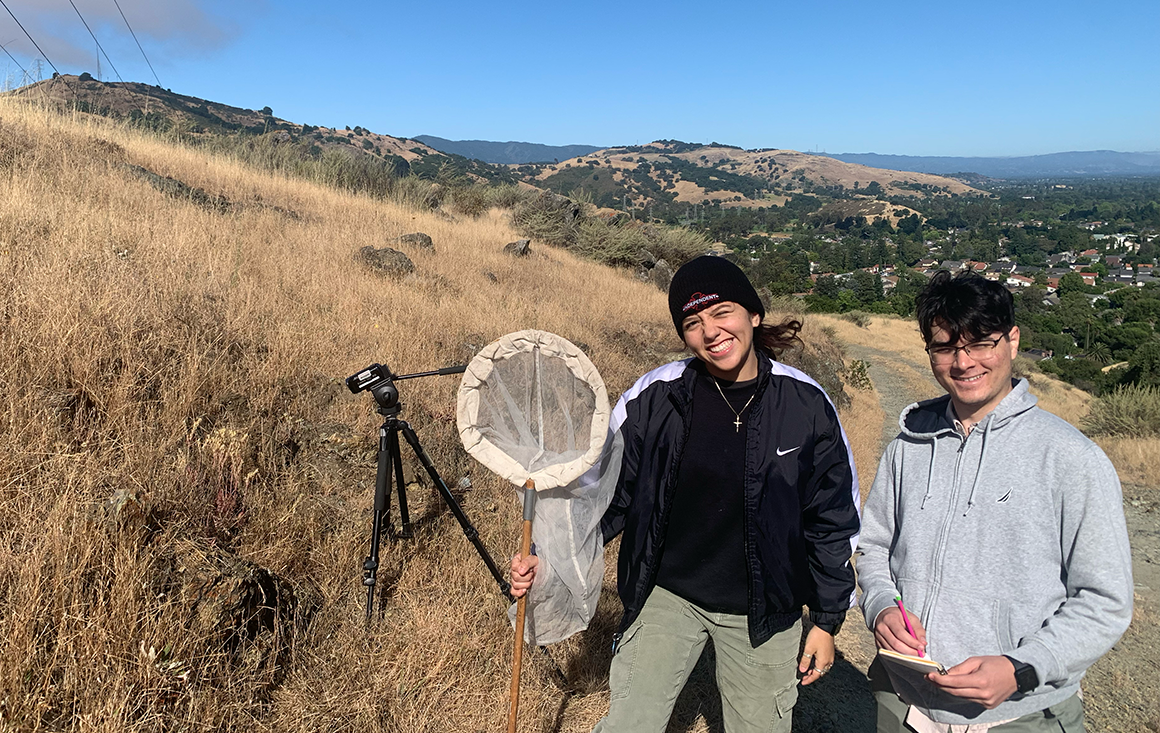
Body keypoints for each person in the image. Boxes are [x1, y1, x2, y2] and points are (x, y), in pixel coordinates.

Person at [511, 255, 861, 732]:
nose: (710, 332)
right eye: (692, 323)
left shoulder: (805, 404)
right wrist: (545, 558)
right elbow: (604, 494)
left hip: (765, 605)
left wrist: (825, 618)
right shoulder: (657, 396)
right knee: (629, 724)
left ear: (753, 315)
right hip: (665, 592)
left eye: (722, 313)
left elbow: (834, 518)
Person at [857, 270, 1133, 732]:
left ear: (1013, 341)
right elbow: (873, 547)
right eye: (945, 347)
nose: (964, 362)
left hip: (1019, 716)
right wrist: (882, 604)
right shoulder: (907, 447)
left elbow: (1105, 601)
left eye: (981, 342)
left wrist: (1021, 667)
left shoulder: (1071, 458)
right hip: (903, 700)